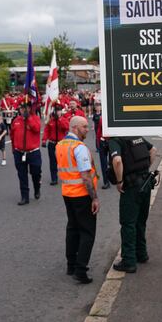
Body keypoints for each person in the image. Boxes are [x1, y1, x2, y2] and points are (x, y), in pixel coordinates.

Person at [56, 116, 99, 284]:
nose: (87, 129)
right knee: (87, 232)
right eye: (84, 127)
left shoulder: (60, 145)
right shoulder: (79, 147)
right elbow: (86, 176)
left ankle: (71, 264)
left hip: (67, 192)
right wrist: (94, 198)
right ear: (74, 128)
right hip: (81, 195)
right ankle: (81, 270)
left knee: (72, 229)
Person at [108, 136, 158, 273]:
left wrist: (119, 182)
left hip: (131, 187)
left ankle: (129, 261)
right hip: (145, 183)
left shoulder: (115, 140)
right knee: (140, 221)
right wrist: (144, 169)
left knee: (128, 223)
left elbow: (117, 161)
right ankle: (141, 254)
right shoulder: (136, 136)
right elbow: (153, 150)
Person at [10, 101, 42, 205]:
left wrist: (28, 118)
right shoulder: (16, 121)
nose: (23, 109)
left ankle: (37, 188)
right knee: (22, 175)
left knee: (36, 173)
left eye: (26, 108)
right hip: (19, 152)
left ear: (30, 109)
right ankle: (25, 196)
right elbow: (12, 136)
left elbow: (37, 129)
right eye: (21, 108)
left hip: (33, 152)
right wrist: (13, 149)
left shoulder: (35, 118)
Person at [43, 104, 69, 186]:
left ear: (61, 111)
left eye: (59, 110)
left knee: (63, 161)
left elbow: (66, 127)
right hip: (52, 143)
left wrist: (60, 119)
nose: (57, 112)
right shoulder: (51, 121)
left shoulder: (64, 119)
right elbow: (46, 131)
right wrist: (44, 140)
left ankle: (65, 176)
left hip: (61, 143)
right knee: (52, 162)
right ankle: (54, 178)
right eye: (56, 110)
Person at [93, 102, 111, 189]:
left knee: (113, 162)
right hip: (103, 142)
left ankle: (115, 178)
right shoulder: (101, 119)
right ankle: (106, 182)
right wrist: (98, 142)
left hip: (112, 142)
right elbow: (99, 131)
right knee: (103, 163)